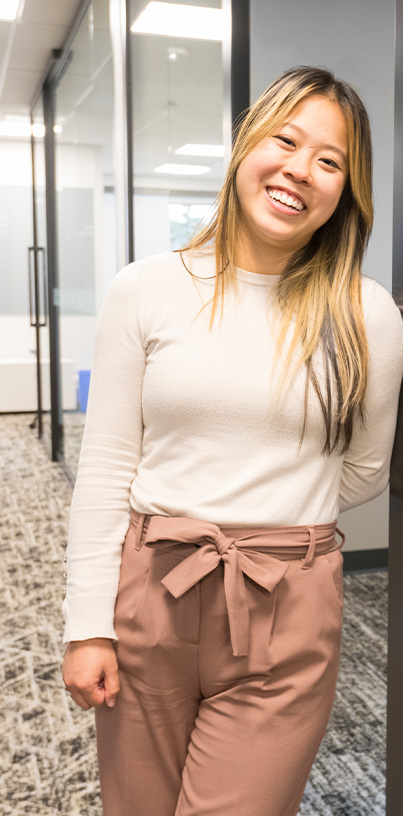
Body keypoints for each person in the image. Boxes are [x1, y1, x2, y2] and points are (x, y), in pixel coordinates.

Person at [62, 66, 403, 816]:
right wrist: (86, 627)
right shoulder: (146, 288)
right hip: (151, 587)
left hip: (287, 601)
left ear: (345, 190)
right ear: (246, 146)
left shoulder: (365, 312)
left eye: (329, 159)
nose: (298, 170)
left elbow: (365, 470)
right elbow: (107, 471)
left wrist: (274, 506)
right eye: (285, 141)